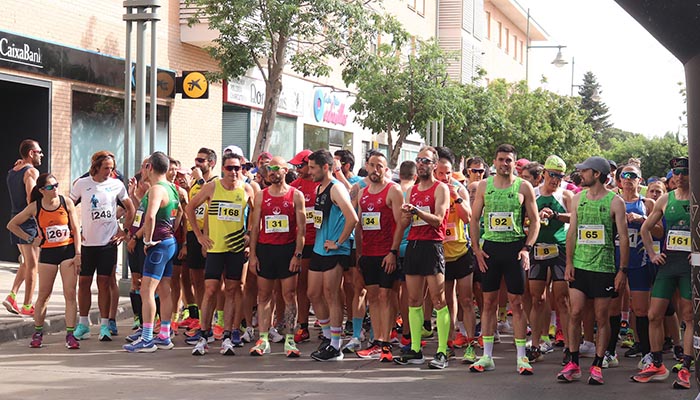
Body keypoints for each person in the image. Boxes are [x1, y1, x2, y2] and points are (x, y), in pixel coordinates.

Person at [557, 156, 629, 385]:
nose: (581, 175)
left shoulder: (615, 202)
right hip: (580, 266)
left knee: (601, 316)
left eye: (585, 171)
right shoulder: (578, 199)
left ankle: (598, 364)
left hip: (604, 268)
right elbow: (572, 233)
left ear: (596, 174)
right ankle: (573, 362)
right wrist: (569, 262)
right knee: (575, 312)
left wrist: (622, 271)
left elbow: (624, 239)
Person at [469, 144, 540, 375]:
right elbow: (474, 219)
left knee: (517, 303)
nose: (504, 164)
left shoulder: (524, 186)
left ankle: (521, 358)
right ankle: (486, 356)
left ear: (514, 162)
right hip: (490, 250)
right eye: (500, 159)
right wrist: (477, 249)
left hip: (514, 249)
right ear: (495, 161)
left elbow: (535, 221)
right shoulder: (483, 186)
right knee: (488, 303)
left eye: (508, 160)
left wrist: (527, 249)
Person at [185, 152, 255, 355]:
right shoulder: (212, 187)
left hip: (235, 248)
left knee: (233, 290)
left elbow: (256, 214)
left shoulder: (247, 189)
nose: (233, 172)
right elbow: (190, 208)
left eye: (237, 168)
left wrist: (249, 234)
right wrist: (199, 236)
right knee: (210, 290)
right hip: (215, 247)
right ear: (222, 169)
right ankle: (204, 334)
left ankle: (228, 335)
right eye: (229, 168)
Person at [634, 156, 693, 389]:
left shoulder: (697, 198)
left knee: (688, 317)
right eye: (676, 173)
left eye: (684, 172)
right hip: (668, 264)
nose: (679, 177)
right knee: (653, 314)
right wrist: (651, 254)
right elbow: (645, 228)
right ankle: (657, 362)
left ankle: (686, 366)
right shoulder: (666, 199)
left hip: (688, 266)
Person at [7, 173, 82, 349]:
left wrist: (78, 254)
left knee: (70, 294)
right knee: (43, 296)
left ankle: (70, 334)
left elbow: (76, 230)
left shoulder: (66, 202)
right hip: (48, 253)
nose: (55, 188)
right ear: (41, 191)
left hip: (68, 251)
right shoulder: (35, 206)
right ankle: (38, 332)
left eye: (56, 185)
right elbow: (12, 225)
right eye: (50, 187)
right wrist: (30, 239)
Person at [393, 146, 451, 369]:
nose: (421, 164)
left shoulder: (441, 188)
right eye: (418, 160)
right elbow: (406, 221)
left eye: (426, 160)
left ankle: (442, 351)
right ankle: (415, 349)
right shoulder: (414, 190)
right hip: (414, 246)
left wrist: (417, 211)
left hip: (432, 246)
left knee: (438, 300)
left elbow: (438, 219)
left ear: (434, 165)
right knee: (413, 300)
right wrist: (406, 215)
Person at [70, 151, 135, 342]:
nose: (110, 171)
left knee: (104, 283)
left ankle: (105, 325)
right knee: (83, 283)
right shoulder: (82, 184)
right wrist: (75, 230)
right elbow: (67, 207)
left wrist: (125, 231)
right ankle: (83, 324)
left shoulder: (116, 185)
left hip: (108, 243)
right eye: (106, 168)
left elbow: (130, 208)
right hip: (87, 243)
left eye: (112, 168)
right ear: (96, 166)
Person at [123, 151, 182, 352]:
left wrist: (148, 240)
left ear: (150, 167)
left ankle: (147, 338)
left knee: (146, 289)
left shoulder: (156, 189)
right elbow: (180, 211)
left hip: (158, 244)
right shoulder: (173, 188)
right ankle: (164, 334)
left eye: (144, 166)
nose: (142, 170)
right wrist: (170, 231)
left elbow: (149, 216)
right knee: (165, 289)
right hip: (169, 242)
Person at [248, 156, 306, 357]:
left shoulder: (296, 195)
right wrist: (253, 255)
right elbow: (255, 228)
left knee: (289, 295)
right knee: (263, 295)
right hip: (266, 249)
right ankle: (263, 338)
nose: (271, 172)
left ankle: (290, 339)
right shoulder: (261, 196)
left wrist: (297, 255)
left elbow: (302, 230)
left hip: (287, 250)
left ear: (285, 171)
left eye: (275, 168)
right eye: (269, 169)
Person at [306, 149, 358, 362]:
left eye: (312, 168)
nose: (309, 172)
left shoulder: (336, 189)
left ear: (325, 167)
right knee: (313, 293)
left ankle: (336, 345)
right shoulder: (320, 187)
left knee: (331, 294)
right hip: (319, 248)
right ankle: (328, 337)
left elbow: (352, 218)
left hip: (334, 250)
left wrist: (339, 243)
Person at [354, 151, 404, 362]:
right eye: (372, 165)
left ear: (386, 169)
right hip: (368, 254)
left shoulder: (393, 191)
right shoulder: (362, 193)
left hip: (386, 254)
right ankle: (376, 341)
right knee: (372, 297)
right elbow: (359, 225)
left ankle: (385, 342)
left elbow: (402, 223)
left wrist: (393, 252)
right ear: (367, 166)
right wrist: (358, 254)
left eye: (380, 166)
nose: (375, 170)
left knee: (385, 297)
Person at [528, 155, 572, 363]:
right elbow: (523, 218)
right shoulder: (533, 194)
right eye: (552, 175)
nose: (555, 180)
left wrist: (555, 215)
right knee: (538, 299)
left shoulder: (566, 195)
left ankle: (570, 349)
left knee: (562, 299)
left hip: (560, 249)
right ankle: (535, 344)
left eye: (560, 176)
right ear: (544, 173)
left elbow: (574, 217)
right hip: (537, 248)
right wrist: (536, 215)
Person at [433, 154, 476, 364]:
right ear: (434, 172)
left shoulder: (459, 189)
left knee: (467, 299)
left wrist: (456, 197)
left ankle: (469, 344)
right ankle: (448, 343)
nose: (444, 176)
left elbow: (467, 217)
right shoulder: (431, 190)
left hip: (461, 251)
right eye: (440, 173)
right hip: (441, 252)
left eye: (448, 173)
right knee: (447, 301)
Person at [180, 148, 218, 333]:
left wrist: (200, 180)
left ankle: (215, 321)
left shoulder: (214, 182)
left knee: (210, 282)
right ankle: (203, 321)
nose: (197, 163)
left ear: (211, 163)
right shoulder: (195, 183)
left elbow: (211, 199)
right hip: (193, 234)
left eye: (201, 160)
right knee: (196, 281)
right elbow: (190, 209)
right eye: (196, 159)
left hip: (209, 234)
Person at [3, 139, 42, 316]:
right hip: (28, 222)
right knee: (33, 264)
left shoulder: (13, 171)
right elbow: (31, 197)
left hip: (15, 218)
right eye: (39, 152)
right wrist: (39, 221)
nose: (41, 154)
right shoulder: (31, 171)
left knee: (26, 262)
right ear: (31, 153)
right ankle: (27, 305)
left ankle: (12, 296)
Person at [289, 150, 319, 344]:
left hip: (321, 243)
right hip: (301, 243)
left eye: (300, 165)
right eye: (296, 167)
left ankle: (329, 327)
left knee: (322, 288)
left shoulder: (323, 185)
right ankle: (302, 326)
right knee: (301, 286)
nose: (297, 170)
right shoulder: (294, 187)